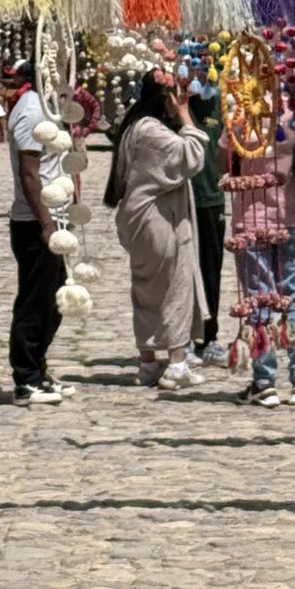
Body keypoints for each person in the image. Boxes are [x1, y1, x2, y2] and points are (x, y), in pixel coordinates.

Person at [105, 70, 207, 390]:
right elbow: (190, 155)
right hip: (157, 220)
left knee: (146, 291)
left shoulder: (134, 126)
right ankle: (176, 363)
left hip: (138, 219)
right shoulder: (150, 130)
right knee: (173, 288)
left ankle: (148, 364)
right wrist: (185, 115)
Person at [246, 96, 295, 408]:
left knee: (259, 299)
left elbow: (226, 160)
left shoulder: (239, 109)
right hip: (289, 214)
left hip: (249, 216)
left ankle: (264, 383)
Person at [4, 58, 65, 406]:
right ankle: (25, 378)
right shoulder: (30, 112)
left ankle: (39, 369)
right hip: (35, 222)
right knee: (34, 302)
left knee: (52, 302)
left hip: (54, 218)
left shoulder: (48, 107)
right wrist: (46, 223)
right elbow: (29, 173)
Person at [189, 80, 229, 367]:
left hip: (211, 198)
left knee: (210, 271)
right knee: (180, 272)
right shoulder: (176, 103)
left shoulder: (220, 102)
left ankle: (208, 336)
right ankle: (181, 337)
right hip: (179, 200)